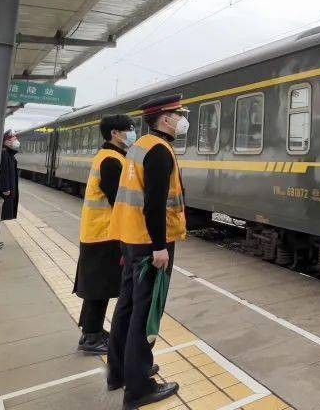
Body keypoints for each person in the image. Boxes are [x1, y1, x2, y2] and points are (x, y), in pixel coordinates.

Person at [107, 95, 190, 408]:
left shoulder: (140, 146)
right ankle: (139, 387)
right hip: (150, 243)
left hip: (131, 240)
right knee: (145, 312)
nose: (182, 118)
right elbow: (154, 204)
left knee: (127, 306)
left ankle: (119, 372)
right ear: (165, 119)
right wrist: (159, 247)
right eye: (178, 113)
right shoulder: (159, 151)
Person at [74, 115, 135, 355]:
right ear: (115, 134)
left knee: (99, 286)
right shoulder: (111, 160)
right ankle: (90, 337)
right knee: (99, 287)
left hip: (99, 231)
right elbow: (118, 201)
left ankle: (93, 331)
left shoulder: (111, 157)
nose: (132, 133)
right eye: (128, 130)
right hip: (104, 233)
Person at [0, 131, 20, 223]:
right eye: (14, 139)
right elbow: (4, 172)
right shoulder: (4, 154)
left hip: (8, 190)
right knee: (2, 212)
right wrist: (5, 188)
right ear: (6, 142)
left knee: (4, 213)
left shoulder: (9, 154)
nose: (17, 141)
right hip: (6, 191)